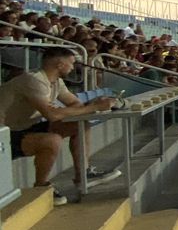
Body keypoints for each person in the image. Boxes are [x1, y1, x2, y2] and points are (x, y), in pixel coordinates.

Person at [0, 47, 118, 204]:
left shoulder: (56, 82)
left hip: (25, 127)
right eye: (71, 63)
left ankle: (83, 175)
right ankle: (41, 187)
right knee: (52, 140)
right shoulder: (33, 80)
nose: (73, 67)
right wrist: (95, 107)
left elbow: (74, 103)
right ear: (60, 64)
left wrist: (87, 106)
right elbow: (52, 115)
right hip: (5, 134)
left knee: (80, 123)